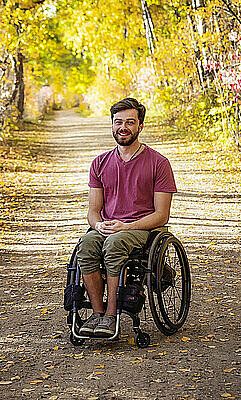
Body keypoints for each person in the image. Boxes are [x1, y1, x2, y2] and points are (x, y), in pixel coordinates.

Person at [76, 97, 177, 337]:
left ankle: (111, 316)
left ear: (140, 126)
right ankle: (97, 314)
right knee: (86, 245)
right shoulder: (99, 163)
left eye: (130, 122)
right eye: (118, 122)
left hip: (142, 229)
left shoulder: (158, 163)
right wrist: (98, 224)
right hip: (108, 227)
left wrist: (127, 226)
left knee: (114, 244)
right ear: (111, 125)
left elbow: (162, 214)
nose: (123, 127)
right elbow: (93, 210)